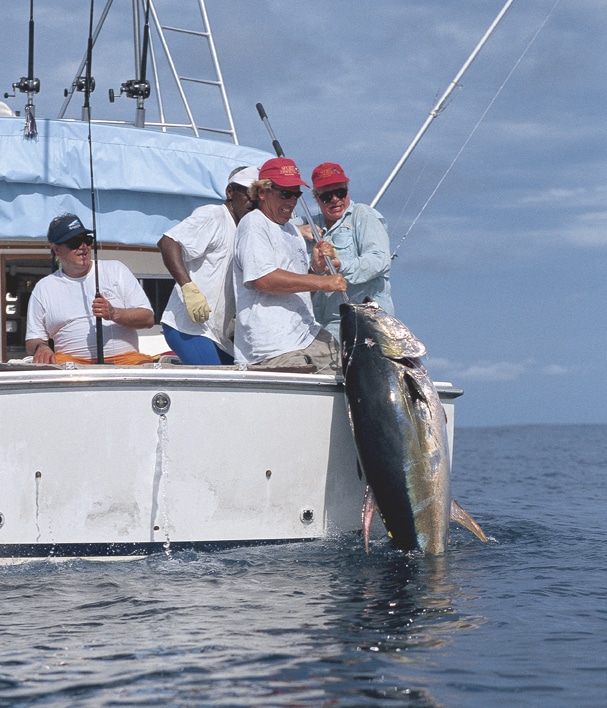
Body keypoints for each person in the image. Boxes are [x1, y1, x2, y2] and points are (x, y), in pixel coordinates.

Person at [233, 157, 347, 372]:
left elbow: (300, 292)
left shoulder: (292, 230)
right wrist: (323, 283)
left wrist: (316, 269)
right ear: (262, 192)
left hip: (307, 334)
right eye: (285, 193)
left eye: (296, 194)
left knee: (352, 369)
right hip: (272, 345)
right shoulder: (254, 224)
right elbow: (263, 280)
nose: (292, 202)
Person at [158, 165, 259, 364]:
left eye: (258, 196)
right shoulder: (213, 215)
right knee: (222, 389)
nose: (252, 201)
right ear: (230, 192)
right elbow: (168, 241)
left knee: (238, 383)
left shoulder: (246, 229)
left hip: (217, 335)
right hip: (188, 328)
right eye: (247, 193)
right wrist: (188, 287)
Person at [26, 213, 155, 365]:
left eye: (87, 240)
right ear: (56, 250)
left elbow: (148, 319)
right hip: (70, 365)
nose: (83, 247)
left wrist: (114, 313)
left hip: (126, 361)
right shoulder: (43, 287)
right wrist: (41, 347)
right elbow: (32, 340)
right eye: (74, 242)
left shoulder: (116, 269)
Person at [303, 162, 394, 339]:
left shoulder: (364, 215)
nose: (335, 199)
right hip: (319, 328)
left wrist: (341, 266)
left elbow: (379, 260)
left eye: (340, 193)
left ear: (347, 190)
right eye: (327, 196)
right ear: (315, 197)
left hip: (365, 323)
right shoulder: (307, 225)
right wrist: (299, 230)